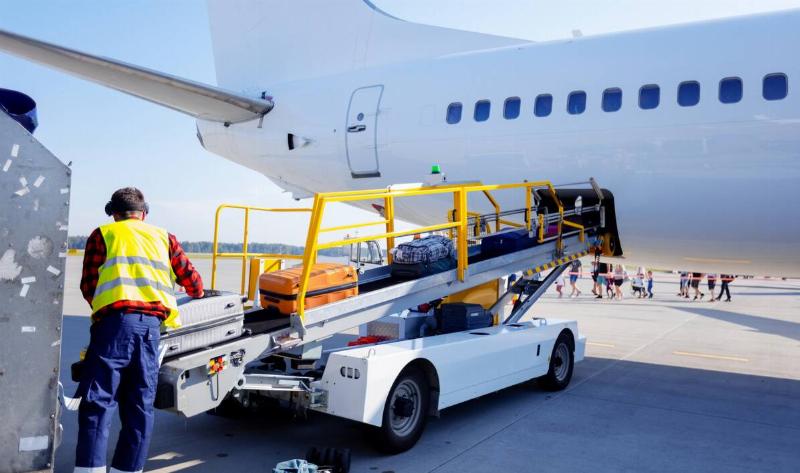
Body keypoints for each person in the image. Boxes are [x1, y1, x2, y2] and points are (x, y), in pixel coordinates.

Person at [76, 188, 205, 473]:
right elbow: (195, 286)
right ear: (144, 213)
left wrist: (108, 307)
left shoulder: (104, 235)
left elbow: (88, 286)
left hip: (112, 326)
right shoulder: (164, 237)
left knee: (98, 403)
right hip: (150, 331)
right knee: (139, 407)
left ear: (113, 213)